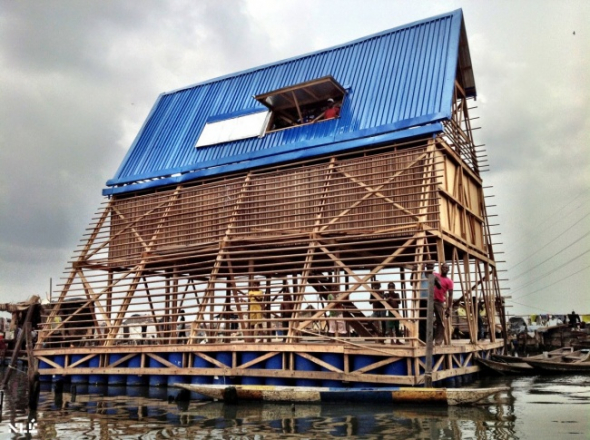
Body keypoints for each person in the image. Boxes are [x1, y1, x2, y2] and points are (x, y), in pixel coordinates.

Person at [433, 263, 454, 346]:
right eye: (444, 267)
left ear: (448, 270)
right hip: (430, 300)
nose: (445, 269)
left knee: (440, 322)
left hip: (439, 302)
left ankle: (438, 342)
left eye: (447, 268)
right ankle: (426, 340)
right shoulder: (435, 275)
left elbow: (450, 295)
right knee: (426, 320)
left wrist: (449, 308)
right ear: (441, 268)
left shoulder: (449, 281)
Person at [418, 263, 434, 342]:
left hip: (430, 301)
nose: (430, 267)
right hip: (421, 300)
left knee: (429, 320)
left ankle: (429, 338)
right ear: (426, 266)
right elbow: (412, 282)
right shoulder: (422, 274)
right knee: (422, 320)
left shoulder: (434, 276)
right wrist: (417, 270)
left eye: (432, 266)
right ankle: (422, 339)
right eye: (429, 266)